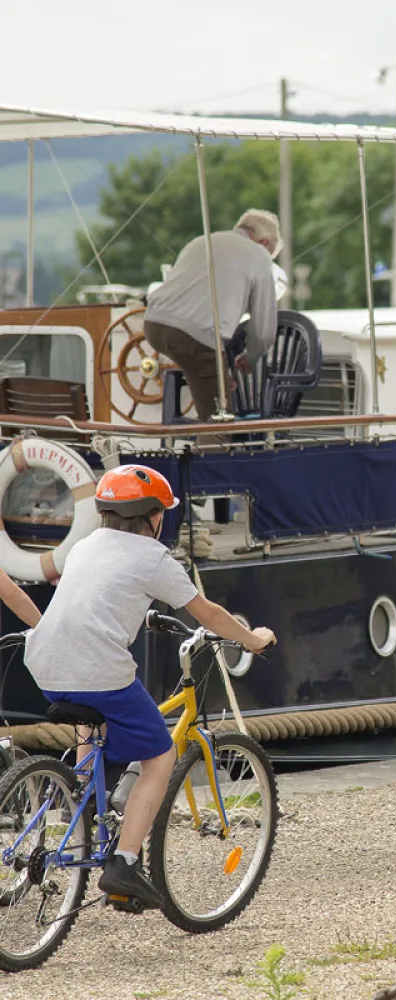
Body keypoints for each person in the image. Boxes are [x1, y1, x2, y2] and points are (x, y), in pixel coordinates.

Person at [24, 465, 276, 908]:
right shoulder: (152, 557)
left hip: (45, 663)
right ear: (154, 516)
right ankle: (123, 863)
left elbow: (99, 597)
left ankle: (78, 807)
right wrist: (253, 639)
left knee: (94, 727)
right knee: (160, 754)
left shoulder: (85, 546)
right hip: (96, 670)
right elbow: (209, 613)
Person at [144, 209, 282, 421]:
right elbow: (263, 331)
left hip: (153, 325)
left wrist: (222, 370)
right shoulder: (259, 254)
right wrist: (251, 358)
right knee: (219, 418)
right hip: (193, 337)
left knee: (210, 378)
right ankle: (213, 448)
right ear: (264, 243)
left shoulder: (200, 241)